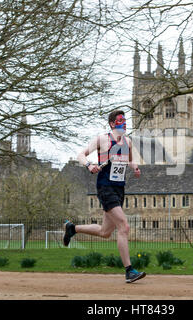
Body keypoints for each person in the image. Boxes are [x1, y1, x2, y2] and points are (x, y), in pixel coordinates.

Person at [63, 110, 146, 283]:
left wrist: (134, 167)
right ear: (112, 124)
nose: (123, 123)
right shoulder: (102, 139)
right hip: (105, 187)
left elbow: (128, 160)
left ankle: (72, 229)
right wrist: (88, 165)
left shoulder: (128, 141)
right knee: (124, 226)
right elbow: (81, 154)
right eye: (120, 120)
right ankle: (129, 271)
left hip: (119, 189)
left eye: (125, 120)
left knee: (105, 232)